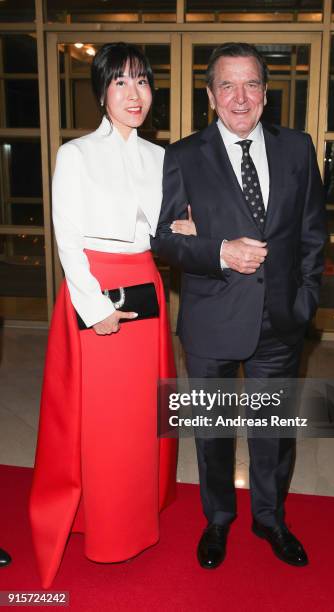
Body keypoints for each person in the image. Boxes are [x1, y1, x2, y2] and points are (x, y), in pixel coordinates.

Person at [152, 42, 327, 570]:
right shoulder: (182, 155)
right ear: (210, 95)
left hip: (281, 318)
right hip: (210, 319)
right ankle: (218, 520)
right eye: (227, 85)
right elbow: (163, 239)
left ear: (266, 93)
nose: (240, 96)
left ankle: (270, 520)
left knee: (274, 431)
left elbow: (314, 232)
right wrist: (219, 251)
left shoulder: (298, 148)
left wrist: (306, 299)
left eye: (251, 83)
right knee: (213, 432)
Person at [29, 43, 182, 589]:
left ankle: (137, 515)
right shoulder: (75, 155)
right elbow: (67, 237)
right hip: (96, 290)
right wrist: (94, 308)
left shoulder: (161, 158)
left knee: (141, 415)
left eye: (142, 82)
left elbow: (164, 229)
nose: (134, 94)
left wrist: (183, 232)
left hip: (147, 287)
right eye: (120, 82)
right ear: (101, 92)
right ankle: (101, 523)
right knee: (100, 419)